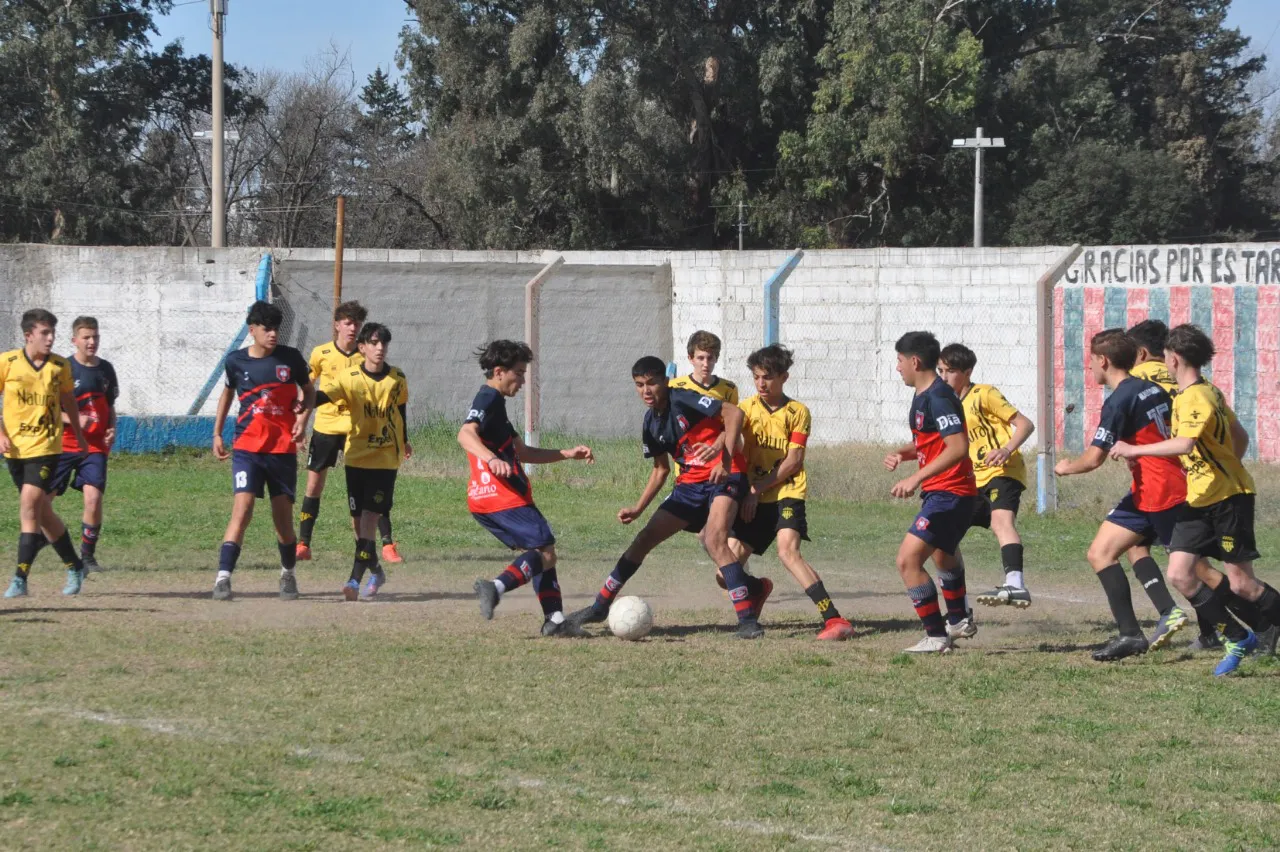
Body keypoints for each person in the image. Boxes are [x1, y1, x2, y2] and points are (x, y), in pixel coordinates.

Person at [1111, 323, 1280, 674]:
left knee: (1242, 583)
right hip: (1199, 498)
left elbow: (1184, 443)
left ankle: (1267, 627)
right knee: (1180, 572)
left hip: (1228, 499)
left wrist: (1135, 450)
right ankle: (1237, 637)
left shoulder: (1196, 397)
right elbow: (1240, 436)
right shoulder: (1209, 391)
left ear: (1173, 358)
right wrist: (1217, 463)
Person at [566, 356, 769, 638]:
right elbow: (661, 470)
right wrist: (637, 508)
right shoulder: (651, 423)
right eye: (639, 385)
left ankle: (748, 622)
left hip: (725, 475)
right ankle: (600, 606)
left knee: (714, 539)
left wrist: (724, 459)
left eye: (651, 383)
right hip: (688, 487)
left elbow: (734, 414)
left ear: (664, 381)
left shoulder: (683, 398)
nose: (646, 391)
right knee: (644, 538)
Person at [1053, 329, 1190, 660]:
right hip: (1147, 488)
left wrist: (1066, 467)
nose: (1090, 369)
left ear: (1103, 360)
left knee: (1195, 569)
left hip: (1162, 489)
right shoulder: (1151, 388)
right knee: (1109, 551)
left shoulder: (1118, 400)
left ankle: (1248, 624)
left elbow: (1094, 458)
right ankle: (1137, 630)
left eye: (1090, 363)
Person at [461, 340, 595, 636]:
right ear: (499, 371)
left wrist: (566, 453)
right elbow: (465, 433)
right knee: (545, 552)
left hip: (484, 501)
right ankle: (494, 587)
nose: (522, 381)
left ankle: (555, 621)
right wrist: (492, 458)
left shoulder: (497, 408)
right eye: (519, 373)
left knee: (540, 553)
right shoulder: (489, 398)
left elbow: (524, 453)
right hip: (502, 496)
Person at [728, 344, 854, 640]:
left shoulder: (798, 412)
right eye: (756, 376)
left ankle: (834, 619)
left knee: (788, 552)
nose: (761, 383)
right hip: (753, 499)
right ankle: (757, 589)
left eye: (767, 377)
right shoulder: (745, 409)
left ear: (784, 377)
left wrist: (756, 489)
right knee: (726, 570)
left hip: (786, 492)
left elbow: (794, 460)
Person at [1127, 319, 1222, 652]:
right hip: (1185, 476)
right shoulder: (1191, 382)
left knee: (1193, 566)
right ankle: (1171, 613)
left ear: (1139, 352)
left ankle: (1236, 622)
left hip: (1162, 479)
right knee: (1133, 545)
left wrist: (1130, 450)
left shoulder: (1135, 378)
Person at [210, 300, 313, 601]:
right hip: (247, 449)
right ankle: (223, 578)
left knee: (282, 520)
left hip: (281, 450)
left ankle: (287, 575)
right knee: (242, 510)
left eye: (276, 329)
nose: (272, 334)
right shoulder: (236, 361)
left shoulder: (290, 358)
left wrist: (302, 420)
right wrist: (217, 433)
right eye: (266, 329)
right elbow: (227, 395)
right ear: (251, 329)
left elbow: (308, 391)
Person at [883, 332, 979, 653]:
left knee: (907, 561)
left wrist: (915, 478)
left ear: (914, 361)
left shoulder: (938, 396)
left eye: (899, 360)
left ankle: (936, 636)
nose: (897, 368)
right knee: (943, 553)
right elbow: (932, 442)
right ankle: (958, 619)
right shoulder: (924, 395)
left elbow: (958, 447)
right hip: (946, 493)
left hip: (950, 493)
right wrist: (904, 453)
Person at [296, 301, 403, 564]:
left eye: (356, 323)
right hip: (327, 427)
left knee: (373, 486)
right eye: (348, 323)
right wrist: (300, 424)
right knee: (313, 485)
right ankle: (303, 543)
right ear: (337, 325)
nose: (352, 328)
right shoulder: (320, 353)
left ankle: (387, 544)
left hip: (360, 431)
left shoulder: (366, 354)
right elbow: (310, 394)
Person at [310, 323, 410, 601]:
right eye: (374, 343)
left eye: (384, 344)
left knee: (369, 518)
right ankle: (376, 570)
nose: (380, 349)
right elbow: (323, 396)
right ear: (362, 347)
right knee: (359, 525)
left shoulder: (397, 379)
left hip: (385, 459)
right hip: (356, 457)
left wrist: (406, 440)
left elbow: (401, 411)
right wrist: (301, 401)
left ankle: (353, 580)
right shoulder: (349, 377)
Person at [1, 310, 90, 598]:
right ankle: (76, 566)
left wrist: (78, 435)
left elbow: (69, 403)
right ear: (29, 335)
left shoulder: (59, 366)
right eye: (44, 333)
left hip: (46, 448)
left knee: (29, 506)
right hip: (15, 449)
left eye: (52, 332)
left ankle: (20, 578)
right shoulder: (8, 362)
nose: (51, 338)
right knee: (43, 513)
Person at [938, 343, 1035, 607]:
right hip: (972, 480)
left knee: (1000, 522)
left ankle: (1015, 584)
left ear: (967, 372)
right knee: (943, 538)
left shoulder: (984, 393)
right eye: (940, 370)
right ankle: (960, 609)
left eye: (950, 371)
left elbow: (1025, 424)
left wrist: (1006, 449)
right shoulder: (948, 406)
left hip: (1002, 471)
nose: (944, 377)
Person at [51, 316, 119, 573]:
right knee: (43, 503)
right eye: (86, 337)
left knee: (93, 499)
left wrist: (112, 428)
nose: (92, 342)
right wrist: (75, 419)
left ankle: (87, 557)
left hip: (94, 447)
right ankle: (41, 546)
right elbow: (51, 411)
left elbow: (110, 406)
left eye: (96, 337)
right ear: (74, 340)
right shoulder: (62, 369)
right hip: (64, 444)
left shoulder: (106, 370)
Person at [670, 329, 738, 403]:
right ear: (690, 358)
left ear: (717, 358)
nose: (706, 364)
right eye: (700, 358)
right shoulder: (675, 386)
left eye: (710, 358)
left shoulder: (729, 388)